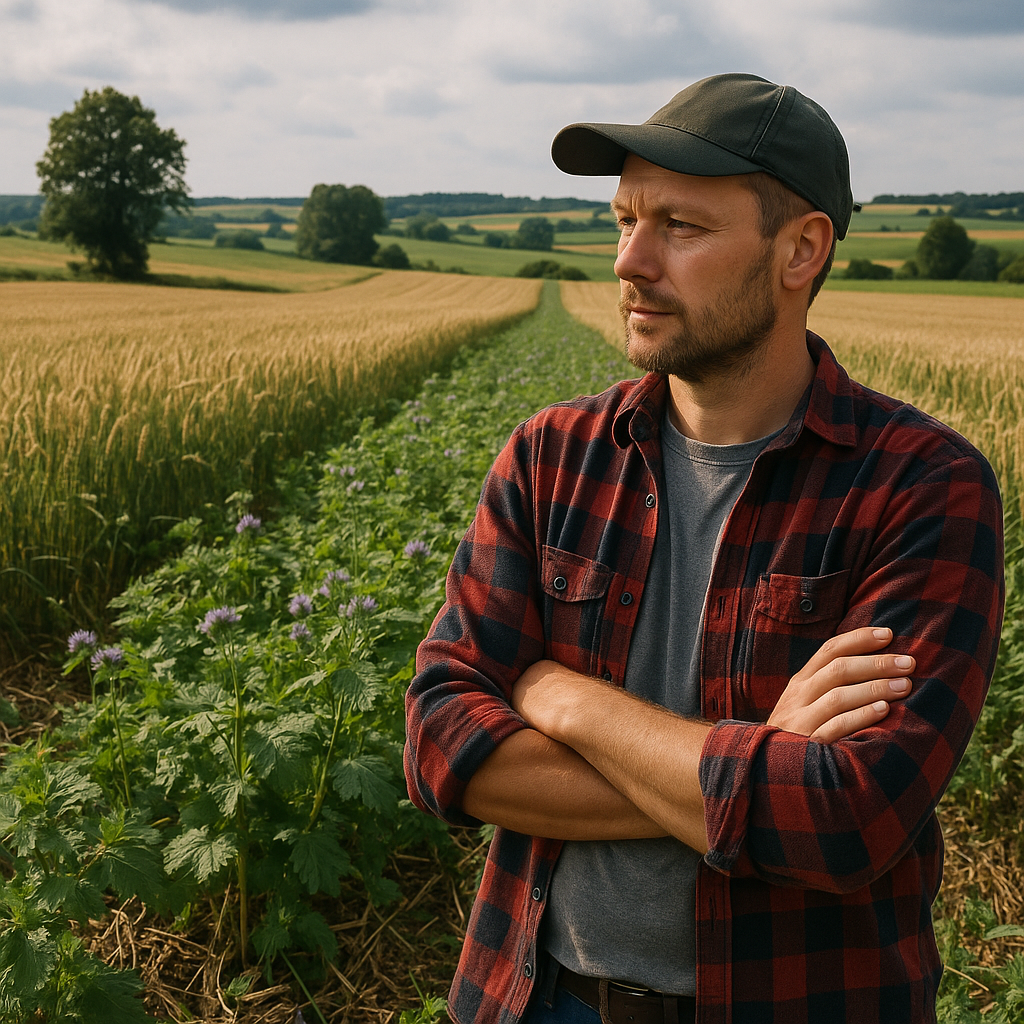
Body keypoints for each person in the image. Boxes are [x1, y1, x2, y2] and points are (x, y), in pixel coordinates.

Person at [404, 73, 1004, 1024]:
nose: (630, 262)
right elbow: (443, 745)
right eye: (624, 219)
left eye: (680, 227)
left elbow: (850, 817)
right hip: (540, 997)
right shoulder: (552, 457)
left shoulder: (922, 487)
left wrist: (562, 697)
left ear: (801, 250)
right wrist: (763, 756)